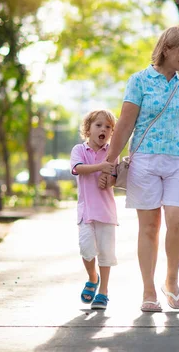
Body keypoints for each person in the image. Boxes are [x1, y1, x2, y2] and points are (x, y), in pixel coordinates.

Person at [104, 25, 179, 312]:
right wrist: (109, 163)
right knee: (150, 227)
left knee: (178, 221)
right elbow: (125, 124)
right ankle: (148, 290)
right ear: (166, 48)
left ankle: (171, 281)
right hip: (144, 159)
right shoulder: (139, 81)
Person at [70, 109, 118, 310]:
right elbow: (78, 168)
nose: (103, 130)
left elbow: (114, 178)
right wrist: (100, 167)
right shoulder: (79, 150)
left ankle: (104, 291)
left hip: (106, 213)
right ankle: (92, 276)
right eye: (98, 125)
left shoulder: (111, 153)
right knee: (87, 249)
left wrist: (109, 179)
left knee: (106, 253)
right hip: (86, 212)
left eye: (108, 127)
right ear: (88, 129)